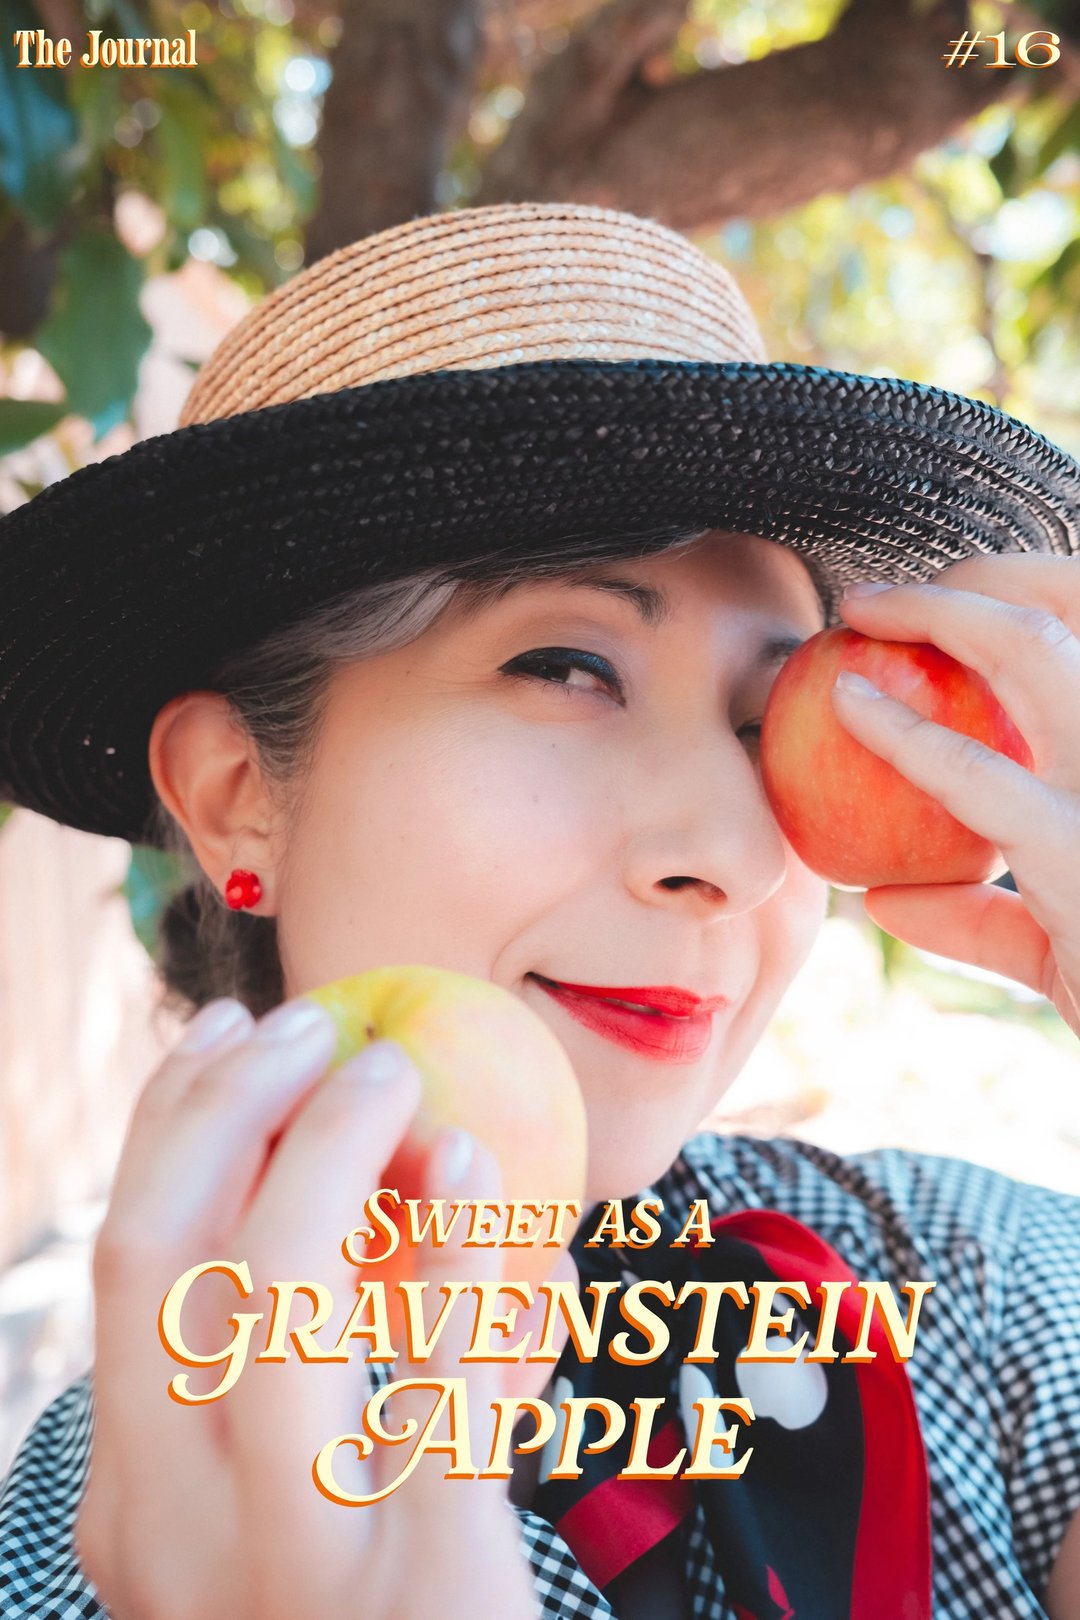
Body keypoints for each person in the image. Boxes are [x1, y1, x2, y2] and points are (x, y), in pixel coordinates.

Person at [0, 201, 1077, 1620]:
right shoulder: (112, 1545)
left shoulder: (967, 1280)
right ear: (233, 792)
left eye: (772, 717)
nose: (732, 856)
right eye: (569, 666)